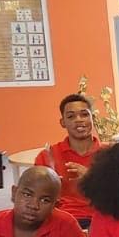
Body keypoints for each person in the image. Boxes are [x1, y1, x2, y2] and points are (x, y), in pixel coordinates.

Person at [34, 93, 104, 228]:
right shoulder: (48, 155)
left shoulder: (110, 153)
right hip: (64, 221)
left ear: (93, 118)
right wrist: (49, 188)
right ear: (63, 122)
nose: (79, 120)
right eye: (71, 116)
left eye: (84, 114)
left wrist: (91, 178)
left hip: (103, 217)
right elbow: (36, 196)